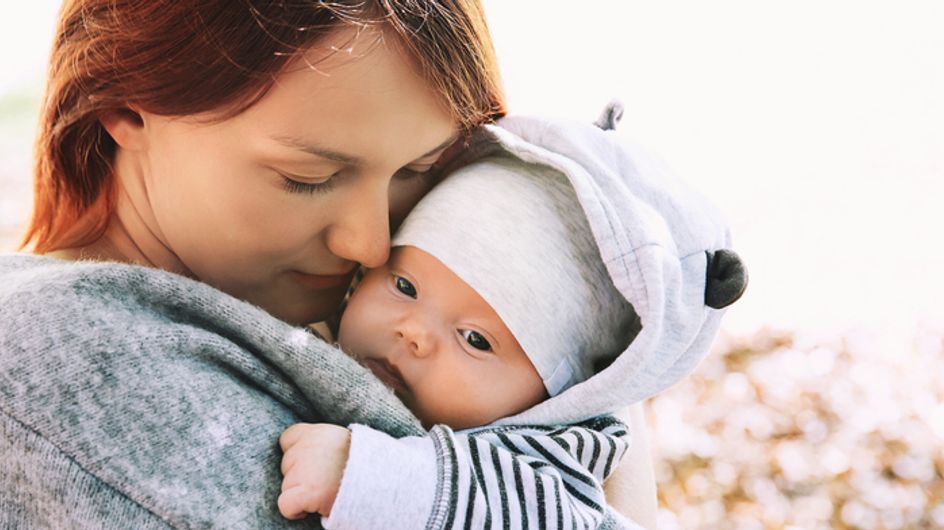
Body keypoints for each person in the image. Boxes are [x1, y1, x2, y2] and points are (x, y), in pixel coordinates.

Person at [0, 1, 658, 528]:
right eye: (307, 177)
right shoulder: (79, 367)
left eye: (419, 173)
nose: (371, 244)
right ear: (126, 110)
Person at [277, 117, 748, 529]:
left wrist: (372, 480)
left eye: (476, 339)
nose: (414, 333)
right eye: (404, 286)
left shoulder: (554, 457)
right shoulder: (300, 330)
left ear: (556, 395)